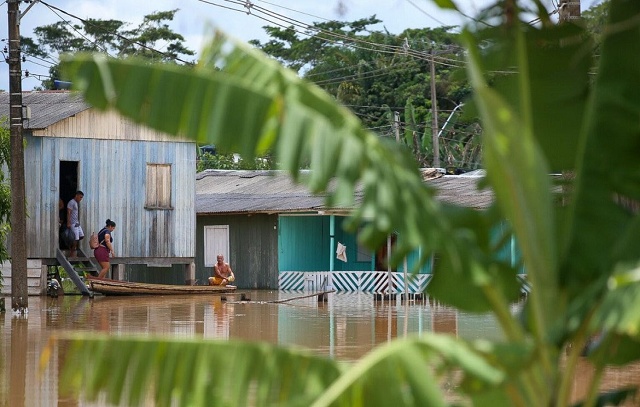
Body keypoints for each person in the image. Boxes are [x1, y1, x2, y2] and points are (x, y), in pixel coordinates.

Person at [66, 191, 85, 257]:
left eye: (81, 198)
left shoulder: (76, 203)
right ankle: (72, 252)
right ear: (76, 195)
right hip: (73, 223)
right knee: (76, 238)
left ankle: (73, 245)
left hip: (77, 223)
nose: (80, 199)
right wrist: (68, 222)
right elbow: (69, 212)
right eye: (80, 197)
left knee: (81, 236)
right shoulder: (71, 202)